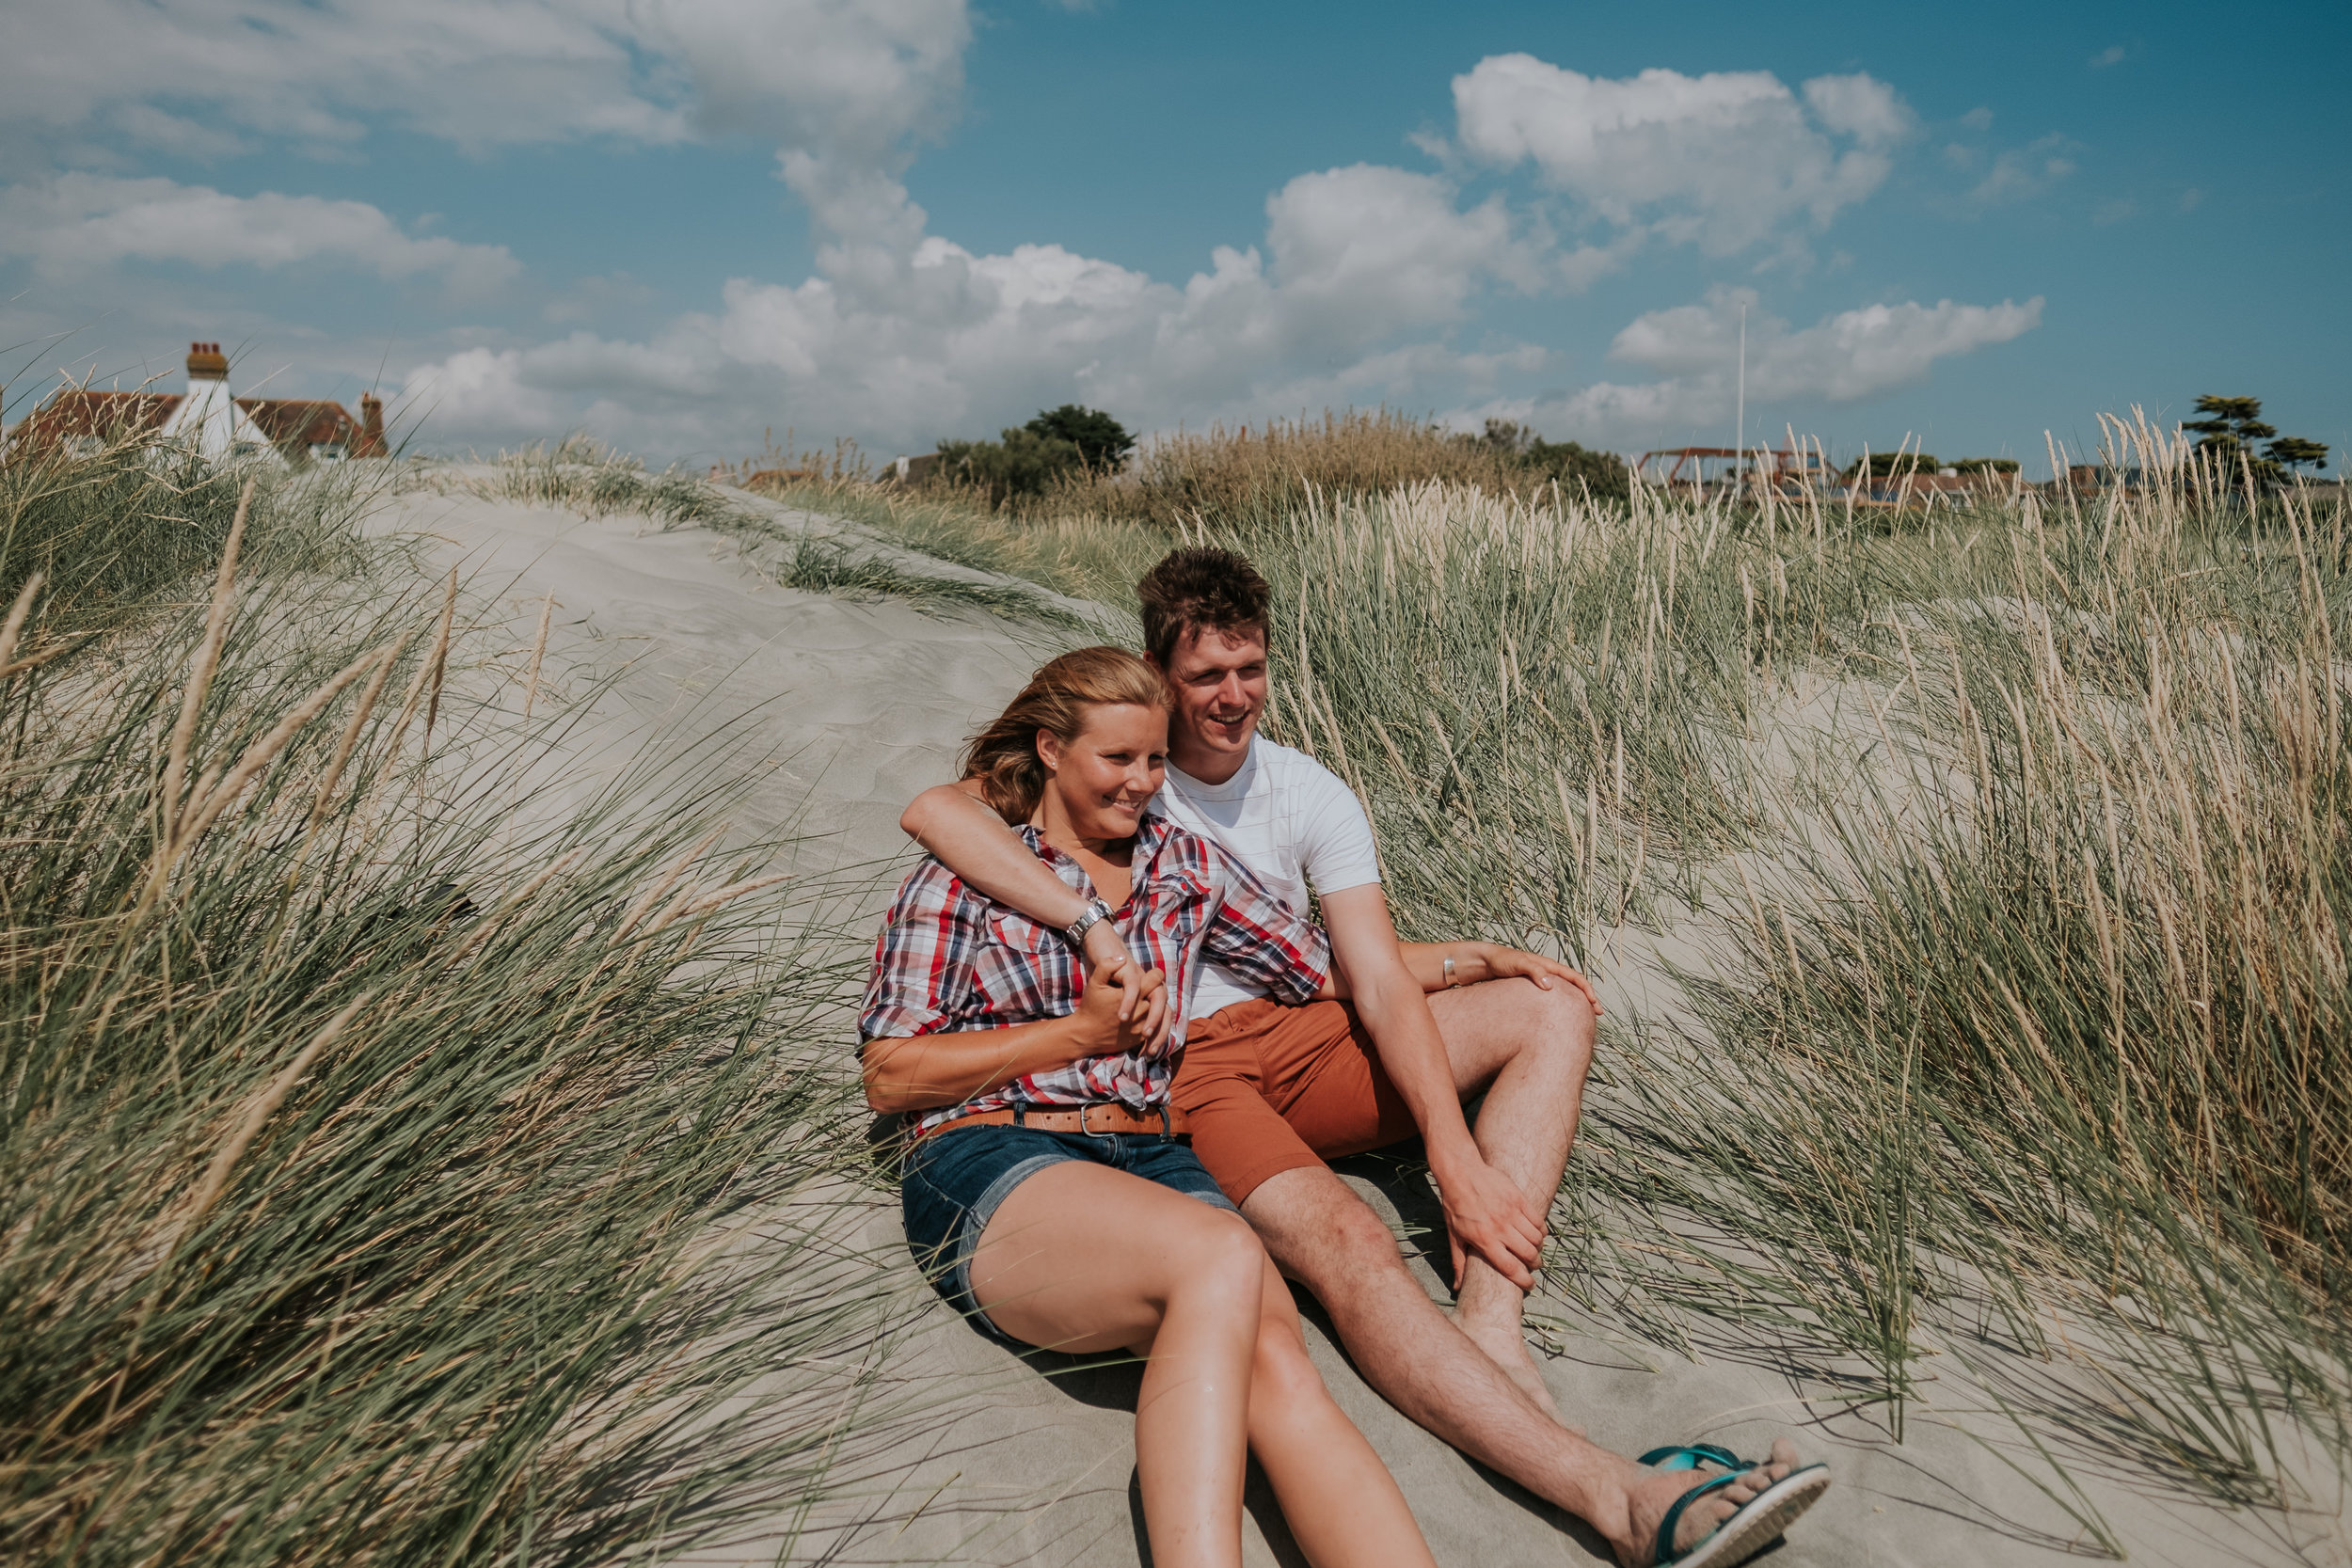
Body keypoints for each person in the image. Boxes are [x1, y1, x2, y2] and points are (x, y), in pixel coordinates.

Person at [899, 549, 1829, 1568]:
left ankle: (1495, 1330)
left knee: (1545, 1005)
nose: (1231, 697)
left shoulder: (1236, 826)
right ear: (1156, 678)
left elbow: (1352, 967)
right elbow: (942, 820)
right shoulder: (1107, 786)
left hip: (1279, 1043)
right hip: (1175, 1079)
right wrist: (1091, 937)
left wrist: (1465, 1056)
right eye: (1205, 676)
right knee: (1328, 1246)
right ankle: (1617, 1497)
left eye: (1249, 668)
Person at [861, 645, 1439, 1568]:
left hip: (1153, 1152)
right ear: (1050, 748)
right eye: (1117, 759)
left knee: (1278, 1356)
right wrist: (1075, 1035)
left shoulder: (1181, 864)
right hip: (995, 1154)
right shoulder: (969, 867)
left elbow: (1318, 965)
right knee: (1222, 1252)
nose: (1142, 783)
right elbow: (890, 1073)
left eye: (1156, 760)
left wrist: (1468, 958)